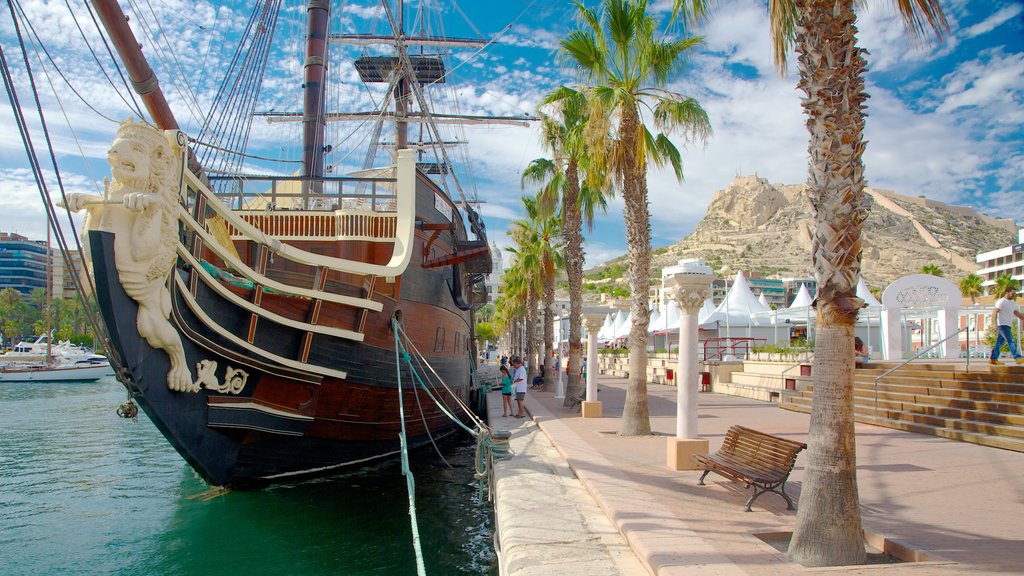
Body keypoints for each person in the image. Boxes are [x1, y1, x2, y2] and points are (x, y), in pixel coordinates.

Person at [990, 287, 1024, 365]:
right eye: (1012, 293)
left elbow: (1017, 313)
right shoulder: (1001, 301)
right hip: (1002, 325)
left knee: (999, 343)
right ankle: (1018, 357)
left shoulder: (1013, 303)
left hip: (1008, 325)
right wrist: (994, 324)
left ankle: (993, 359)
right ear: (1007, 293)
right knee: (1011, 340)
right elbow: (995, 312)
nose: (1014, 295)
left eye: (1015, 293)